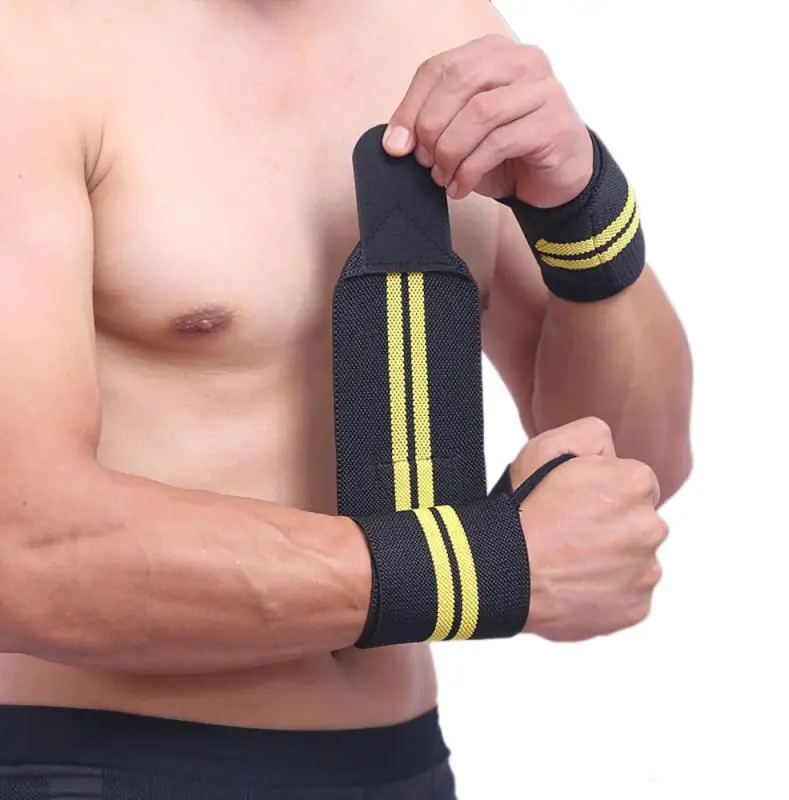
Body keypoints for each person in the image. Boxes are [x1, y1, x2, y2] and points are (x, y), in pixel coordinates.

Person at [0, 0, 693, 798]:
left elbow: (630, 473)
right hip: (99, 760)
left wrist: (582, 213)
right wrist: (477, 569)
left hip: (400, 762)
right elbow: (25, 552)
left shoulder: (445, 28)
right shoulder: (32, 47)